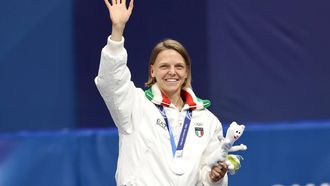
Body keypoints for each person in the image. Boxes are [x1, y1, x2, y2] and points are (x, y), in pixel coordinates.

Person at [95, 0, 229, 185]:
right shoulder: (135, 105)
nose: (172, 72)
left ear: (187, 72)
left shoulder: (207, 120)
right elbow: (111, 81)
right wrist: (117, 31)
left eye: (179, 67)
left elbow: (207, 175)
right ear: (153, 71)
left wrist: (216, 177)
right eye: (164, 66)